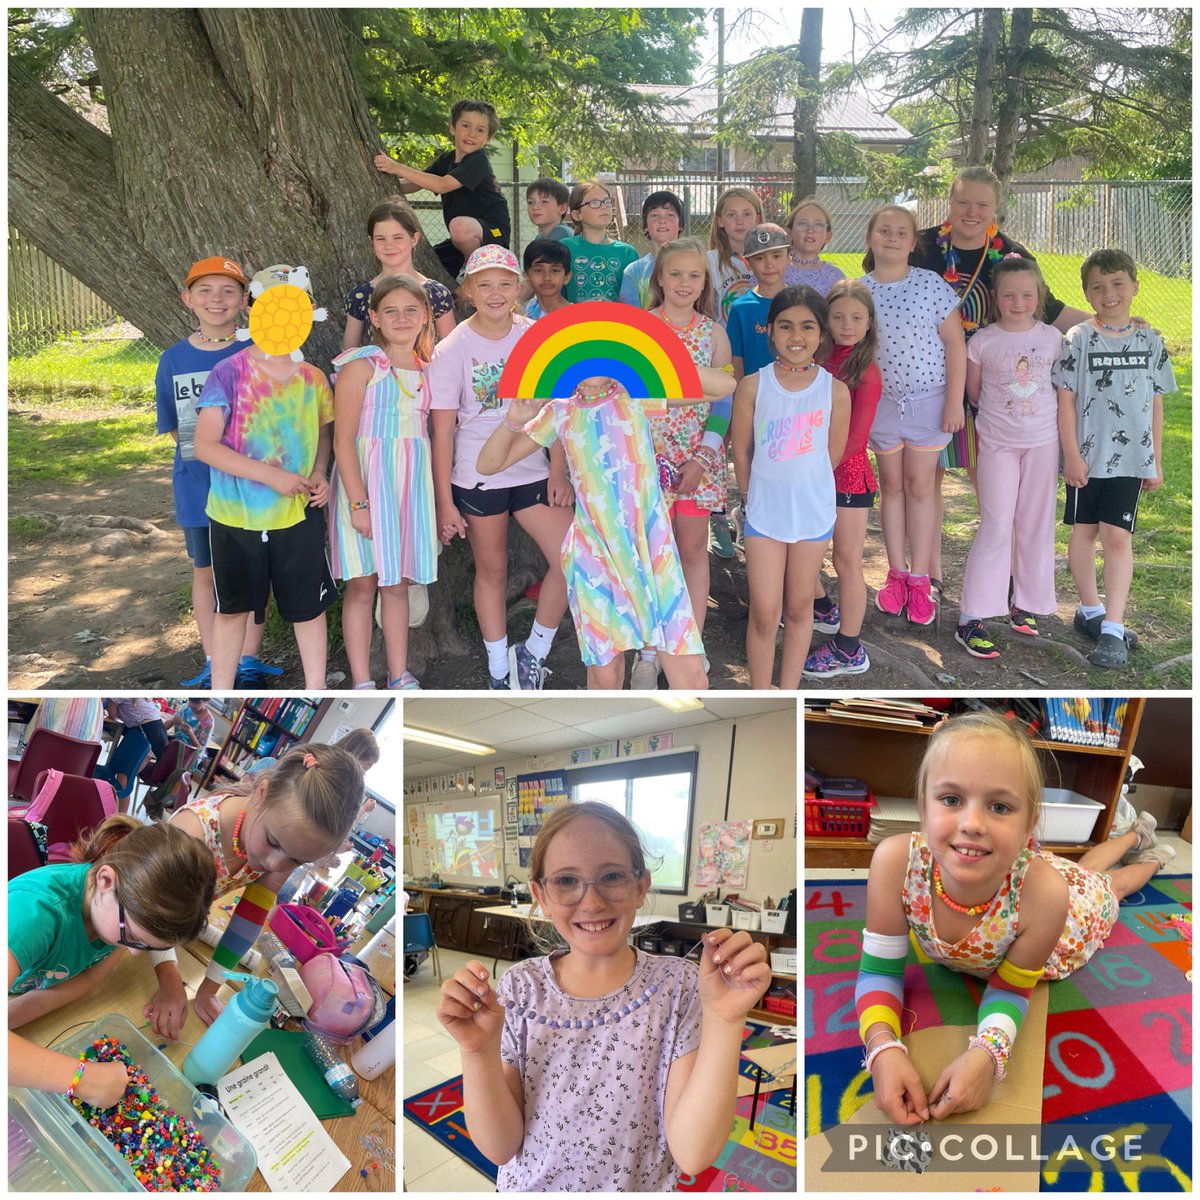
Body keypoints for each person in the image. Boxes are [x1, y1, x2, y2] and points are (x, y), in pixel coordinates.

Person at [856, 711, 1172, 1124]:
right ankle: (1133, 834)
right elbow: (878, 971)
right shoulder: (895, 862)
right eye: (951, 800)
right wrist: (881, 1048)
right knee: (1089, 867)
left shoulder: (1046, 895)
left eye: (1000, 806)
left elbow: (1010, 989)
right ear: (922, 804)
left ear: (1029, 825)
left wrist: (989, 1054)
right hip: (1032, 877)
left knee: (1110, 884)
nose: (971, 824)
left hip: (1072, 912)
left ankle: (1148, 849)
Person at [436, 801, 770, 1189]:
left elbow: (692, 1155)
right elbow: (500, 1148)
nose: (591, 902)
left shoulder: (679, 987)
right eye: (565, 881)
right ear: (540, 895)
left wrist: (725, 1021)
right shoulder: (521, 988)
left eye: (611, 876)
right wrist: (477, 1053)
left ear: (640, 886)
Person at [476, 337, 735, 692]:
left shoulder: (635, 395)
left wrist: (649, 362)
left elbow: (724, 385)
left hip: (651, 551)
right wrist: (513, 420)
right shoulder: (559, 411)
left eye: (599, 353)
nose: (589, 362)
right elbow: (488, 464)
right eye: (579, 353)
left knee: (689, 674)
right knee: (605, 674)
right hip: (593, 557)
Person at [913, 165, 1090, 591]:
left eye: (982, 204)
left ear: (996, 207)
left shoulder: (1011, 253)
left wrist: (1107, 324)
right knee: (928, 479)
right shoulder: (921, 247)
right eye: (963, 202)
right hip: (929, 379)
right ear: (949, 202)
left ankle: (1009, 577)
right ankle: (930, 574)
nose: (972, 212)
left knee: (992, 486)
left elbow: (1044, 307)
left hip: (994, 387)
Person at [142, 743, 364, 1035]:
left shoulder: (278, 843)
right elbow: (148, 914)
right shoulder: (192, 834)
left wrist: (209, 989)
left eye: (296, 860)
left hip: (174, 932)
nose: (274, 864)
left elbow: (248, 921)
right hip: (136, 931)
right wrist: (171, 982)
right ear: (260, 794)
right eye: (273, 842)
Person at [427, 245, 572, 690]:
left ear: (518, 288)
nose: (495, 293)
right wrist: (445, 502)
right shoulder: (452, 348)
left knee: (574, 558)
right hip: (478, 474)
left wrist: (558, 470)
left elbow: (560, 409)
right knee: (492, 570)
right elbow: (443, 431)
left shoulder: (537, 336)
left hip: (532, 468)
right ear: (468, 291)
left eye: (505, 283)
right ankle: (497, 668)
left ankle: (533, 652)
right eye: (484, 284)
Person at [194, 267, 337, 690]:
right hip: (235, 518)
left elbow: (323, 434)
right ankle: (223, 690)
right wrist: (270, 476)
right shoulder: (228, 373)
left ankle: (317, 686)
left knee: (308, 610)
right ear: (252, 311)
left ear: (310, 314)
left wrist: (318, 473)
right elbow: (206, 446)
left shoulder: (313, 380)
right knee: (233, 610)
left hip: (298, 517)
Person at [9, 817, 216, 1108]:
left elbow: (89, 979)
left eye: (147, 946)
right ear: (105, 881)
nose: (133, 953)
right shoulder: (35, 913)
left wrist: (12, 1016)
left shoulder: (118, 912)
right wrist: (80, 1078)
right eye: (132, 937)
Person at [156, 256, 279, 689]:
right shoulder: (172, 359)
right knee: (206, 571)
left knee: (252, 573)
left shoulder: (255, 353)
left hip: (251, 489)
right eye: (205, 290)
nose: (217, 299)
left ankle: (247, 658)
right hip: (198, 487)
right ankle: (213, 659)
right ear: (187, 299)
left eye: (228, 291)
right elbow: (173, 427)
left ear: (245, 301)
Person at [1054, 248, 1176, 669]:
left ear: (1135, 287)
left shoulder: (1151, 340)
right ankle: (1090, 610)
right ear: (1086, 293)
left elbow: (1155, 404)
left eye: (1118, 283)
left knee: (1117, 537)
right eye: (1098, 287)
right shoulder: (1078, 339)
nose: (1109, 293)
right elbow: (1065, 401)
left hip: (1129, 460)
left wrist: (1155, 460)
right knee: (1084, 532)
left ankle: (1113, 627)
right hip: (1086, 460)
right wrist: (1071, 454)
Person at [732, 285, 850, 689]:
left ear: (821, 334)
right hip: (764, 514)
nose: (796, 336)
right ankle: (760, 693)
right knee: (765, 612)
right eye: (785, 326)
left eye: (806, 327)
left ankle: (789, 690)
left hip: (812, 514)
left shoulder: (835, 390)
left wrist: (804, 486)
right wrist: (748, 496)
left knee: (800, 608)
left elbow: (830, 456)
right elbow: (742, 450)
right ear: (770, 331)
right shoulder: (752, 385)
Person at [632, 238, 734, 689]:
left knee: (692, 552)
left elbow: (724, 404)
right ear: (659, 278)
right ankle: (649, 650)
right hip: (645, 461)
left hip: (696, 462)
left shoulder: (714, 333)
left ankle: (689, 644)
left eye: (694, 275)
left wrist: (703, 458)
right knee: (652, 556)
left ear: (705, 282)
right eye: (675, 274)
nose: (684, 283)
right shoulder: (639, 329)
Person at [330, 277, 438, 691]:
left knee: (396, 584)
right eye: (390, 311)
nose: (402, 318)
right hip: (365, 486)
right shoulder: (362, 365)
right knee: (362, 583)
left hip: (409, 490)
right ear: (373, 317)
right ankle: (361, 679)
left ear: (426, 316)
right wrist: (359, 504)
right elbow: (343, 439)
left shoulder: (429, 369)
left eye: (411, 310)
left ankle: (398, 673)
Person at [862, 205, 966, 627]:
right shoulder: (859, 291)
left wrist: (954, 402)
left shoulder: (932, 286)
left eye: (900, 232)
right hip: (883, 404)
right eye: (883, 230)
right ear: (870, 237)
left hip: (929, 401)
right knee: (891, 486)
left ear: (912, 242)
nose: (891, 237)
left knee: (920, 485)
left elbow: (955, 344)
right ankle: (896, 574)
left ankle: (922, 578)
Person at [956, 258, 1064, 660]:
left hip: (1042, 444)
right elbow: (975, 393)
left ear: (1039, 297)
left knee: (1034, 524)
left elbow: (1061, 389)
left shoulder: (1054, 338)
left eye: (1027, 295)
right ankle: (972, 616)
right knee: (997, 524)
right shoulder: (982, 341)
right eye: (1008, 295)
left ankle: (1025, 602)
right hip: (998, 445)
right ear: (995, 299)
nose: (1018, 302)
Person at [804, 279, 882, 678]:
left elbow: (856, 438)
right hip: (809, 473)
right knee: (801, 549)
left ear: (869, 323)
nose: (847, 325)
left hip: (847, 478)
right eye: (838, 317)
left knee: (847, 560)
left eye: (856, 317)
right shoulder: (816, 359)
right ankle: (822, 610)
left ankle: (849, 647)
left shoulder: (865, 371)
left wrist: (818, 468)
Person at [373, 99, 511, 280]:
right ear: (453, 127)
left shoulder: (478, 161)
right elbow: (415, 183)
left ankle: (473, 276)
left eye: (480, 130)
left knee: (460, 226)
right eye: (465, 126)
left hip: (492, 233)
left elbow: (442, 185)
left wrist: (396, 167)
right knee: (429, 260)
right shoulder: (447, 159)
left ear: (488, 137)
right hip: (461, 240)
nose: (471, 134)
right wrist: (384, 184)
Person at [705, 187, 764, 561]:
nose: (740, 221)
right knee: (720, 438)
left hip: (757, 358)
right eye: (732, 214)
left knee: (756, 441)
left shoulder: (763, 257)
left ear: (758, 218)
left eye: (748, 213)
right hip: (720, 361)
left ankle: (752, 510)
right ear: (721, 221)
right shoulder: (712, 261)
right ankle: (716, 514)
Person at [342, 198, 457, 349]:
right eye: (380, 239)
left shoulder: (437, 294)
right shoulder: (360, 296)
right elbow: (349, 353)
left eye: (398, 237)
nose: (389, 246)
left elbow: (453, 351)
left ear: (414, 239)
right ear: (371, 241)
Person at [728, 223, 792, 381]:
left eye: (776, 256)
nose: (769, 264)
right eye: (759, 258)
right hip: (754, 395)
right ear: (747, 263)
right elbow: (737, 360)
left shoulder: (799, 303)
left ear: (789, 258)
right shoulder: (741, 308)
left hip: (795, 396)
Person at [560, 180, 640, 303]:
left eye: (607, 202)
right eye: (594, 203)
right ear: (577, 215)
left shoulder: (627, 252)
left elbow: (634, 300)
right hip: (574, 321)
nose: (604, 207)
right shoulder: (565, 247)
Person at [619, 189, 685, 309]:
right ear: (645, 226)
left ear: (680, 224)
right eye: (655, 215)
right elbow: (630, 318)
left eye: (670, 215)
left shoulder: (695, 266)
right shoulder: (634, 271)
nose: (662, 221)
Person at [783, 196, 846, 295]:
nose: (810, 230)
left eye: (818, 225)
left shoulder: (835, 277)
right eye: (802, 224)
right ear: (789, 232)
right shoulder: (775, 271)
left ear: (828, 236)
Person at [522, 238, 573, 321]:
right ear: (526, 276)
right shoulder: (524, 314)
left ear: (567, 277)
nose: (547, 277)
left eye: (555, 271)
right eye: (538, 270)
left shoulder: (575, 317)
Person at [524, 178, 574, 242]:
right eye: (530, 202)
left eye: (544, 201)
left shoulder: (562, 234)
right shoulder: (539, 237)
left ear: (562, 208)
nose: (535, 207)